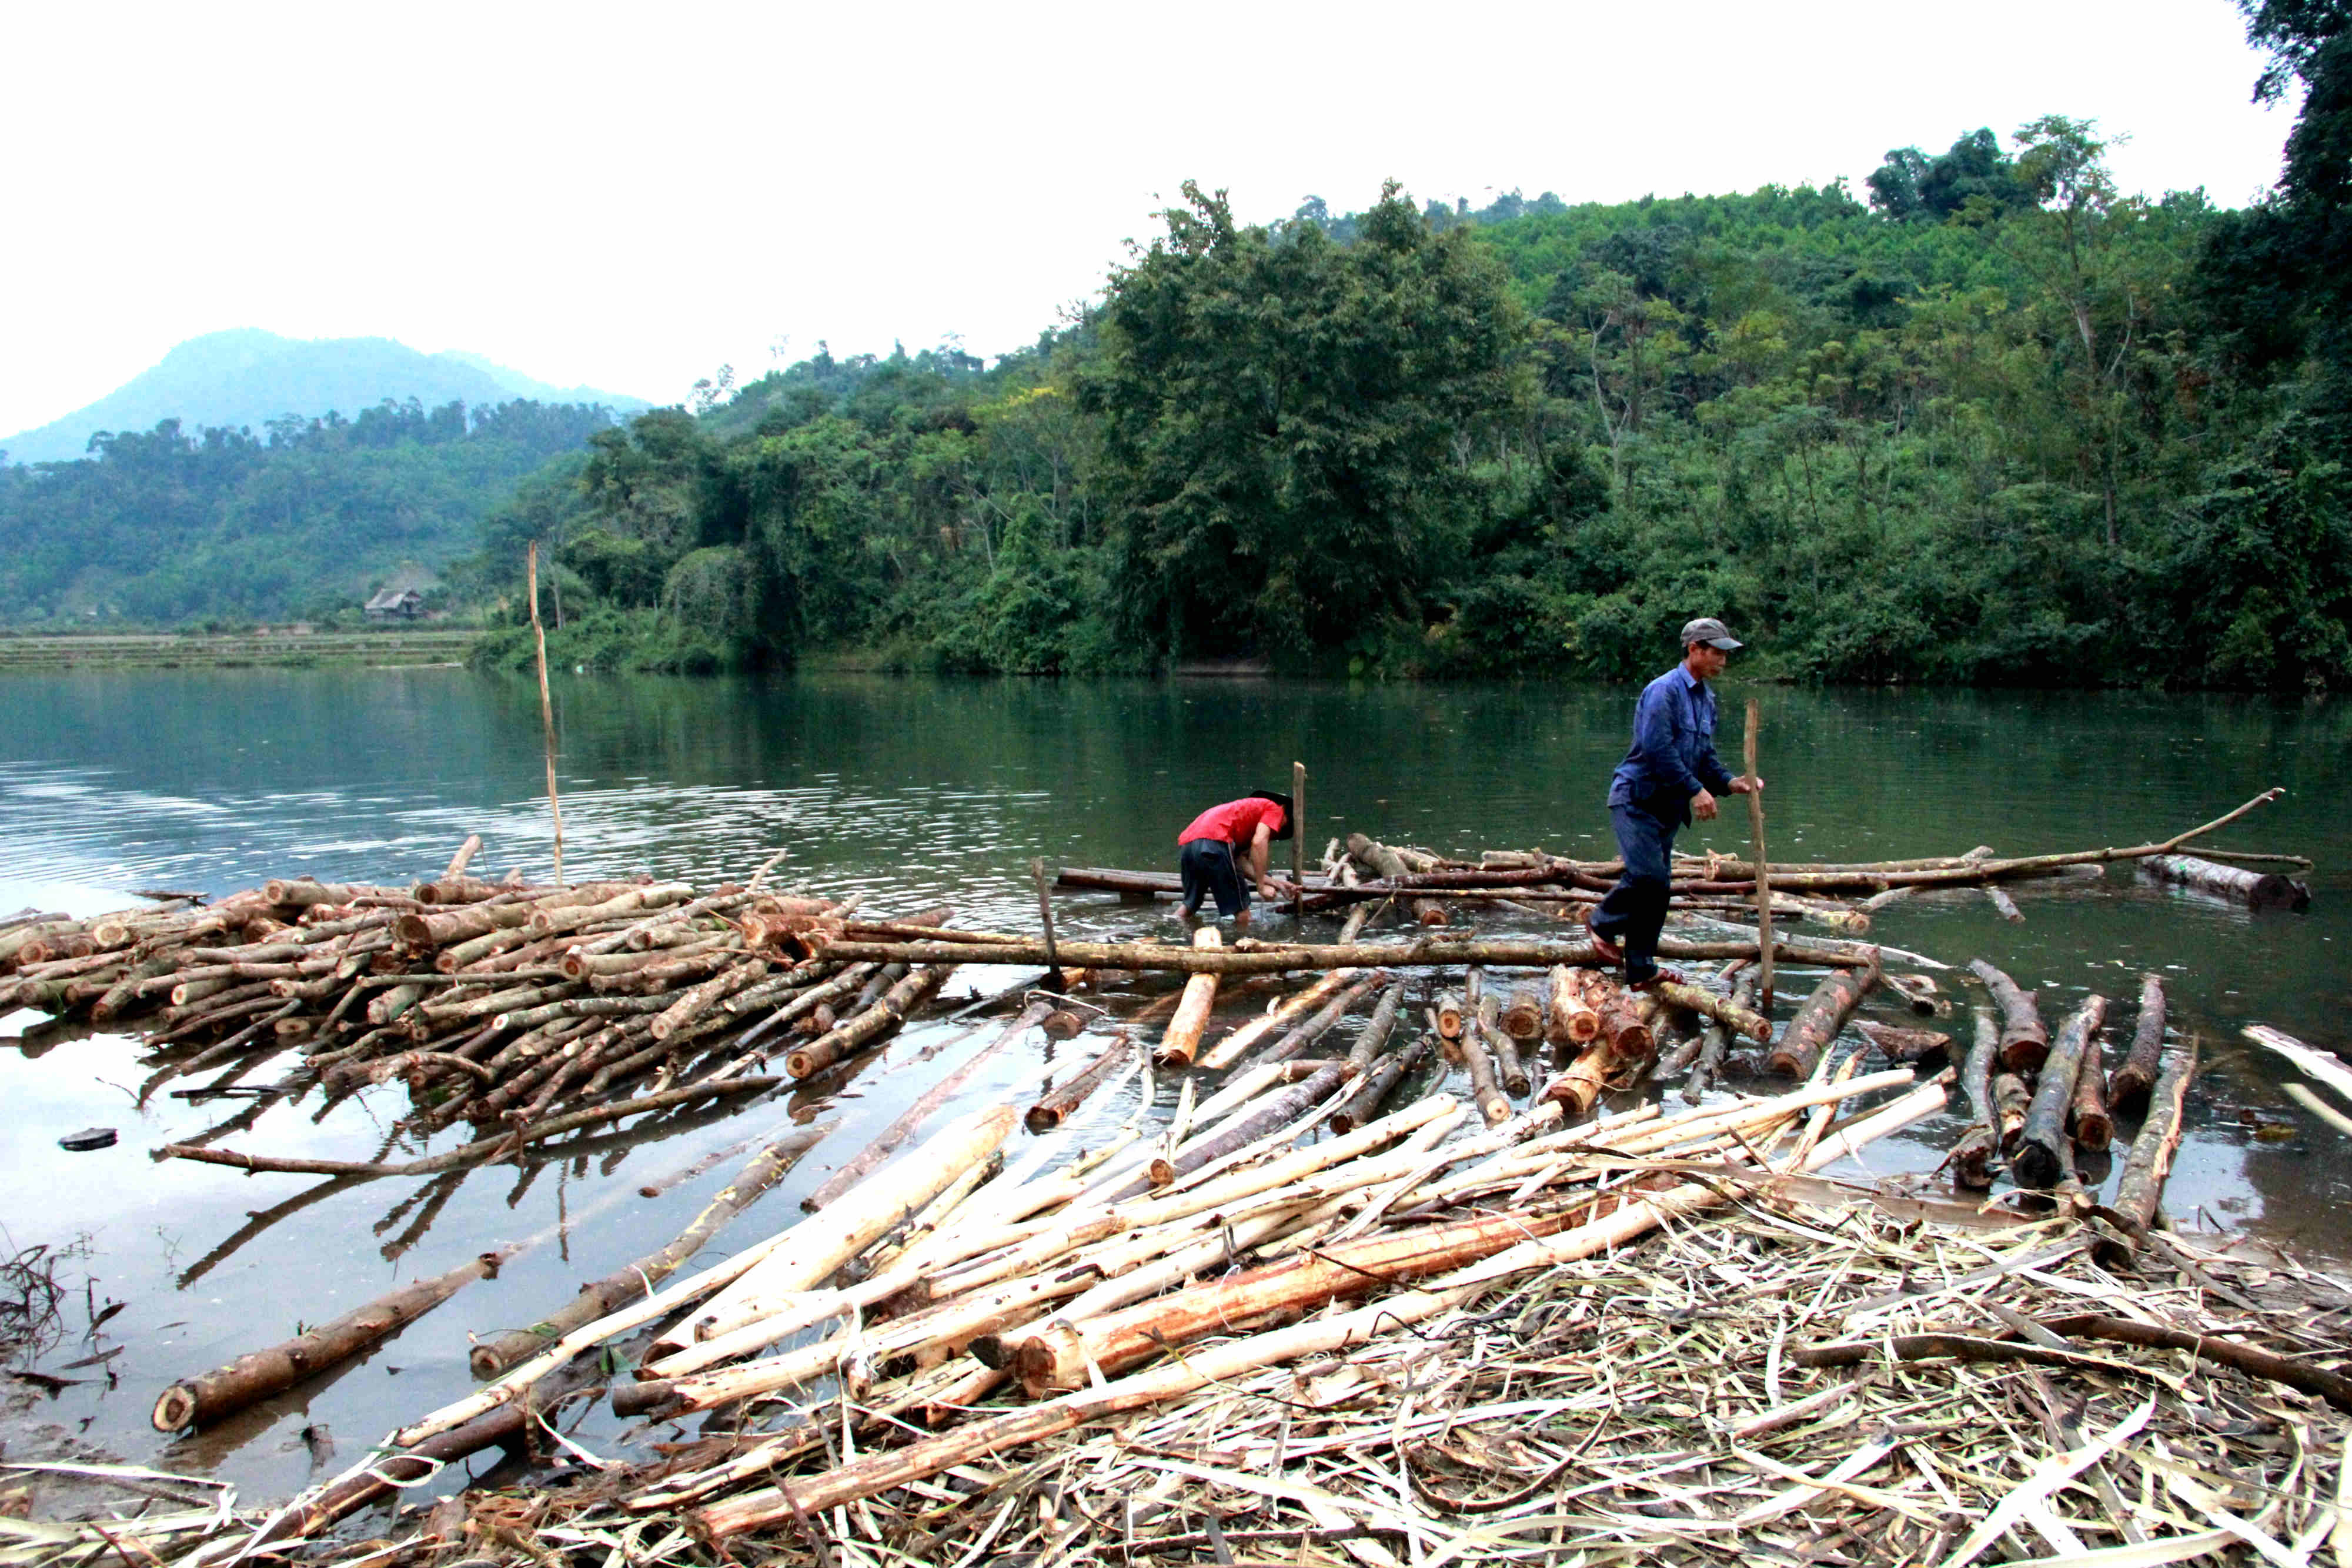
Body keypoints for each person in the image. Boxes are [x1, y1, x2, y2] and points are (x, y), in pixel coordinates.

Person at [1586, 618, 1763, 989]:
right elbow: (1657, 750)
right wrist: (1695, 791)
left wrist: (1732, 783)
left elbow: (1705, 757)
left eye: (1725, 654)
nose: (1723, 661)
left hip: (1667, 806)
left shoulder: (1706, 700)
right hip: (1636, 798)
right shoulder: (1663, 691)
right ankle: (1602, 922)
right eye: (1717, 653)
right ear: (1694, 649)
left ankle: (1640, 968)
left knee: (1660, 886)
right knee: (1647, 876)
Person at [1176, 791, 1296, 930]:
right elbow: (1259, 842)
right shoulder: (1276, 809)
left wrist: (1278, 884)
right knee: (1242, 912)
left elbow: (1239, 863)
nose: (1278, 829)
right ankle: (1240, 945)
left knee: (1190, 905)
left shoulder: (1241, 818)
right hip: (1216, 841)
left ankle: (1170, 925)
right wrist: (1261, 886)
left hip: (1189, 845)